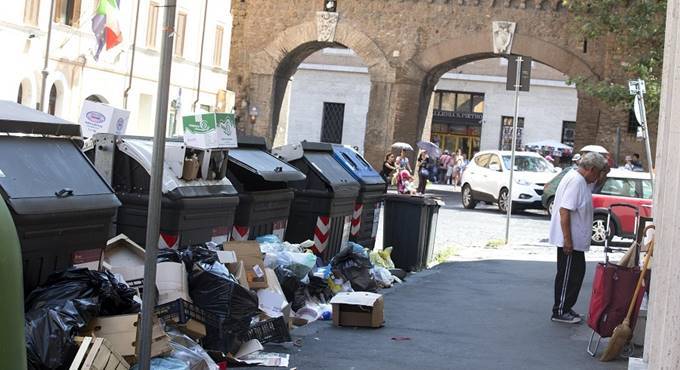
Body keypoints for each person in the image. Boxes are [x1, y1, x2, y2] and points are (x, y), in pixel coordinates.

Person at [549, 152, 608, 324]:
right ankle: (560, 310)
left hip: (576, 241)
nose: (597, 177)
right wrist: (568, 240)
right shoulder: (576, 181)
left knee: (576, 274)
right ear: (590, 169)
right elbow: (564, 210)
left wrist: (605, 172)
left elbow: (597, 184)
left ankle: (566, 307)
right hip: (570, 241)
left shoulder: (582, 180)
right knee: (567, 275)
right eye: (597, 173)